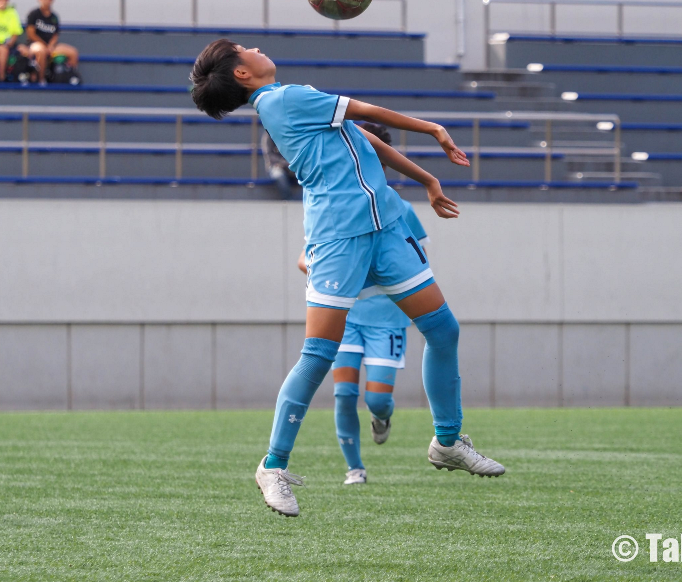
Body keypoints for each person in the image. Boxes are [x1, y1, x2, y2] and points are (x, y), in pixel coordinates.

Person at [190, 40, 504, 518]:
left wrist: (427, 180)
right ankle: (272, 466)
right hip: (339, 238)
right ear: (241, 74)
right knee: (318, 354)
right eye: (243, 49)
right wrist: (434, 129)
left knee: (443, 330)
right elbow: (368, 111)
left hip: (385, 230)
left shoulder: (290, 101)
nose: (254, 48)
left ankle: (447, 442)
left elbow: (366, 139)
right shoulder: (283, 98)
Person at [295, 122, 428, 486]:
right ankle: (355, 468)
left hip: (386, 319)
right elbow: (305, 258)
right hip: (347, 317)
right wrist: (333, 272)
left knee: (377, 399)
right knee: (343, 393)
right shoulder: (334, 205)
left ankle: (382, 417)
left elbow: (417, 261)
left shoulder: (400, 208)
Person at [26, 0, 79, 82]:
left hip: (51, 46)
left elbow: (55, 34)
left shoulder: (54, 17)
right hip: (36, 44)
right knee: (41, 51)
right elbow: (31, 34)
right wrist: (44, 45)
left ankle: (70, 77)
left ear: (52, 0)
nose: (45, 0)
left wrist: (50, 45)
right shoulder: (34, 14)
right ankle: (41, 80)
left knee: (73, 52)